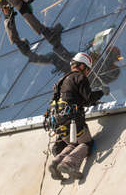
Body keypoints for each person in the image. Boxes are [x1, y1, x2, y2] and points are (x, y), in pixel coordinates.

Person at [45, 52, 110, 181]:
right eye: (87, 70)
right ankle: (68, 164)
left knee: (73, 143)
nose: (87, 73)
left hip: (56, 121)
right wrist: (102, 92)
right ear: (82, 67)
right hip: (71, 118)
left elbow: (80, 100)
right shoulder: (79, 77)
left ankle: (56, 163)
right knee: (86, 143)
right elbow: (89, 99)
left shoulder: (61, 81)